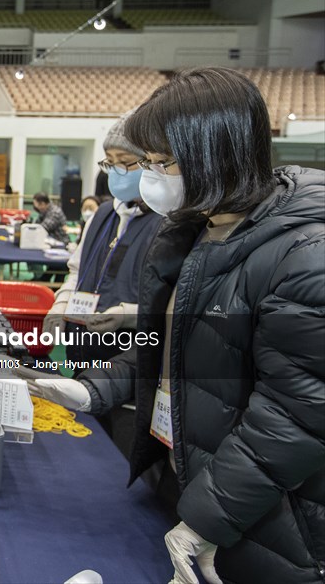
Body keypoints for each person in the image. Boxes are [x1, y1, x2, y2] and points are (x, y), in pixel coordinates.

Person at [28, 68, 324, 583]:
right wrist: (90, 389)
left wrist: (208, 519)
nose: (150, 178)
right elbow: (167, 346)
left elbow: (295, 416)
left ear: (218, 152)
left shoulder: (303, 256)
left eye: (162, 162)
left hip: (261, 520)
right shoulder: (195, 231)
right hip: (189, 481)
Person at [41, 117, 163, 451]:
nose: (118, 172)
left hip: (131, 358)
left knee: (117, 443)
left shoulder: (168, 224)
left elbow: (172, 304)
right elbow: (77, 269)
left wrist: (126, 314)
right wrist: (60, 305)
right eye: (111, 163)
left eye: (127, 163)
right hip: (84, 349)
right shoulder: (103, 214)